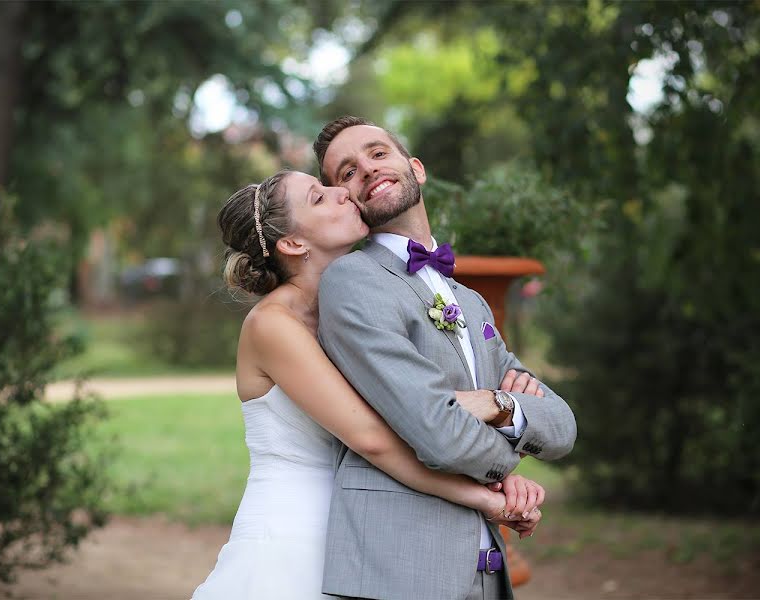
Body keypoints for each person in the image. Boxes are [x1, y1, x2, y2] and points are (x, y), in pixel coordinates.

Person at [191, 170, 546, 600]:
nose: (343, 193)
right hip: (296, 539)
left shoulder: (358, 312)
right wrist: (485, 495)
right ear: (293, 243)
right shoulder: (272, 325)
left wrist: (493, 452)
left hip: (371, 531)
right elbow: (375, 438)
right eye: (319, 198)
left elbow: (417, 416)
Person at [313, 116, 578, 600]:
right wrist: (508, 465)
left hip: (484, 569)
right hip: (402, 569)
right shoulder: (352, 282)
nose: (367, 171)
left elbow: (562, 427)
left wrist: (497, 404)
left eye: (377, 154)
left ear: (416, 168)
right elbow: (439, 435)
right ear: (345, 201)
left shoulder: (472, 301)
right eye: (346, 172)